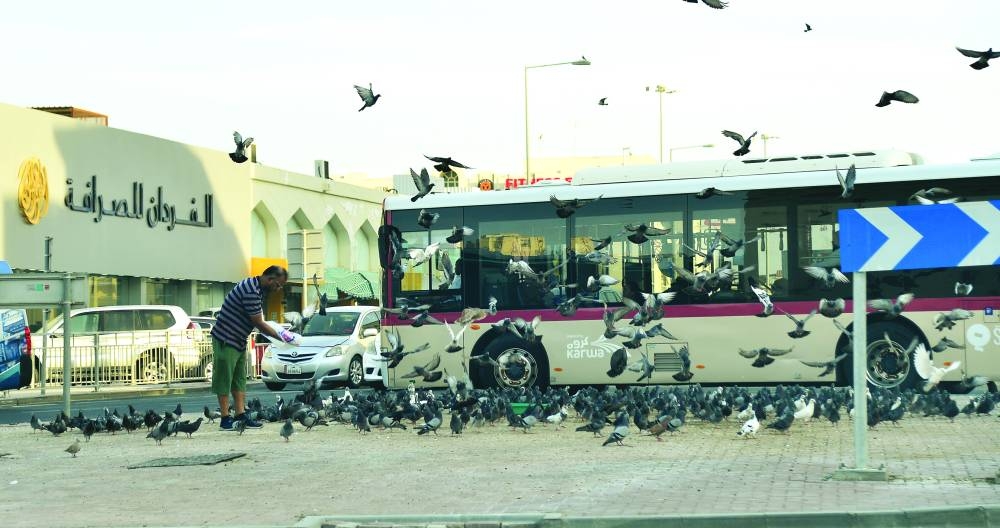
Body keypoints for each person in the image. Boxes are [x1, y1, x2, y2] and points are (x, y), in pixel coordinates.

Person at [210, 265, 291, 431]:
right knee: (224, 379)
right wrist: (283, 338)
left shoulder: (256, 288)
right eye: (278, 285)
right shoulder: (251, 291)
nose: (279, 289)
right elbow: (259, 322)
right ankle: (225, 419)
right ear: (270, 279)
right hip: (226, 338)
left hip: (238, 339)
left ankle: (240, 416)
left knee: (239, 379)